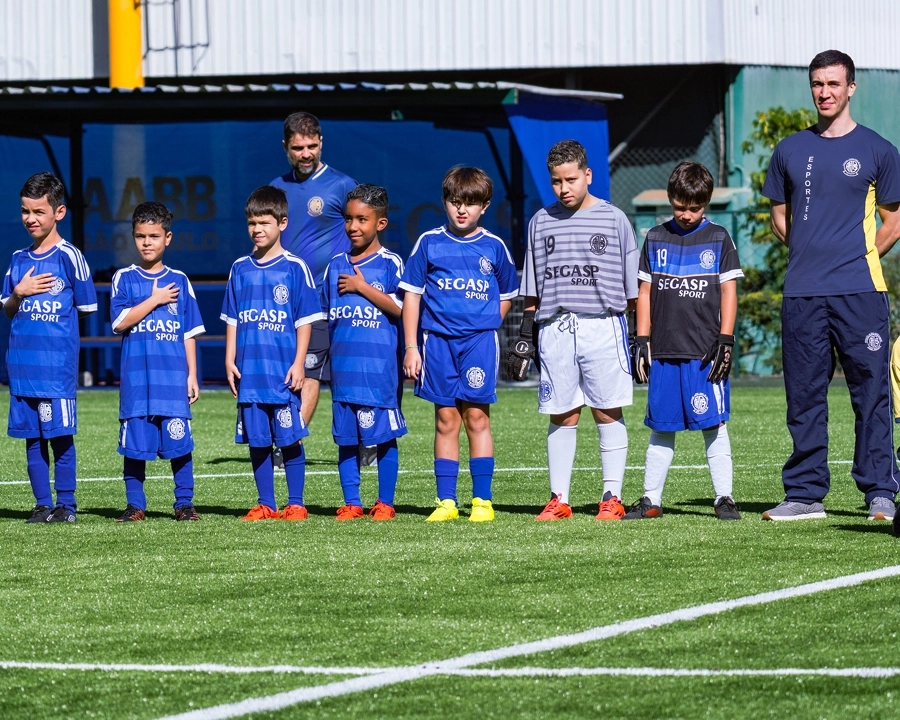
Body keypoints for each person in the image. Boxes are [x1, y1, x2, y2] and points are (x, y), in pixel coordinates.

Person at [761, 50, 900, 522]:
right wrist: (811, 255)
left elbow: (894, 221)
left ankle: (880, 491)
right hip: (802, 292)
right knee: (803, 394)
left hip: (860, 292)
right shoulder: (789, 150)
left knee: (871, 392)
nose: (824, 92)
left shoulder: (880, 150)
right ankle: (804, 493)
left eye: (833, 84)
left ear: (851, 88)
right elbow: (780, 217)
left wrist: (856, 258)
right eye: (817, 84)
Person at [507, 140, 638, 521]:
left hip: (602, 325)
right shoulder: (541, 221)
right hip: (555, 328)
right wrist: (524, 337)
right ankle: (558, 498)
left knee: (606, 410)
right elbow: (532, 288)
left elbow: (633, 291)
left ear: (588, 175)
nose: (564, 188)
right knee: (562, 413)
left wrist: (637, 337)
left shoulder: (614, 219)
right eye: (556, 181)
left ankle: (611, 497)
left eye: (571, 179)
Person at [625, 162, 743, 520]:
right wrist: (641, 337)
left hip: (704, 352)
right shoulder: (656, 238)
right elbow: (644, 292)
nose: (687, 214)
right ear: (670, 199)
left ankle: (724, 498)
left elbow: (729, 291)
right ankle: (650, 500)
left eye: (695, 208)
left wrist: (726, 337)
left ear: (705, 202)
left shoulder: (719, 237)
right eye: (680, 207)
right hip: (663, 351)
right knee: (661, 425)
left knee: (713, 423)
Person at [401, 166, 519, 522]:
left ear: (484, 206)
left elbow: (508, 293)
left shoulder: (494, 247)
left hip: (478, 344)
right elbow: (411, 297)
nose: (461, 210)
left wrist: (487, 321)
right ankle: (447, 502)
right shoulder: (429, 243)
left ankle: (482, 501)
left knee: (477, 418)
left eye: (470, 203)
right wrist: (410, 346)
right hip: (436, 344)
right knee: (445, 419)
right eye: (455, 202)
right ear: (445, 203)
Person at [221, 186, 325, 521]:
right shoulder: (240, 268)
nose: (257, 229)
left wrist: (299, 364)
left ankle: (296, 503)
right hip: (251, 373)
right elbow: (234, 319)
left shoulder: (295, 268)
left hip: (282, 373)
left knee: (290, 438)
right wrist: (229, 359)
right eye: (252, 222)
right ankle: (266, 503)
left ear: (282, 222)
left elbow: (305, 320)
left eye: (264, 222)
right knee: (258, 441)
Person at [2, 172, 97, 523]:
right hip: (22, 368)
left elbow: (85, 310)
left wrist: (57, 339)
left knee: (60, 438)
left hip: (55, 371)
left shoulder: (70, 257)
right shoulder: (17, 259)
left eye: (38, 211)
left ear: (58, 212)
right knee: (32, 439)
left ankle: (66, 506)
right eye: (25, 211)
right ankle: (42, 504)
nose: (30, 218)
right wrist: (19, 293)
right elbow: (9, 310)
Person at [110, 201, 205, 522]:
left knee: (180, 445)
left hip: (172, 381)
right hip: (138, 382)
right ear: (133, 238)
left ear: (168, 238)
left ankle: (184, 503)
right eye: (140, 236)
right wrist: (154, 299)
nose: (147, 242)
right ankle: (135, 505)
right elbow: (120, 322)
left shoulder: (180, 280)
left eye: (153, 235)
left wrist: (192, 375)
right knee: (135, 447)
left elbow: (189, 332)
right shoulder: (124, 278)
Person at [320, 184, 407, 520]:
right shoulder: (333, 267)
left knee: (384, 436)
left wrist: (362, 287)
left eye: (362, 219)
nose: (353, 227)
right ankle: (352, 502)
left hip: (379, 370)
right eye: (348, 219)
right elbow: (325, 316)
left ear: (380, 224)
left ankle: (385, 502)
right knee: (346, 438)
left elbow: (402, 309)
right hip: (343, 370)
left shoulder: (391, 264)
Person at [270, 112, 358, 431]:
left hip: (336, 296)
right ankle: (290, 439)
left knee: (341, 372)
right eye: (297, 148)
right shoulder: (275, 190)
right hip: (290, 299)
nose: (305, 154)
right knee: (301, 371)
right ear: (285, 148)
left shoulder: (344, 185)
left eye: (311, 146)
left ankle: (361, 440)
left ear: (321, 143)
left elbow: (364, 234)